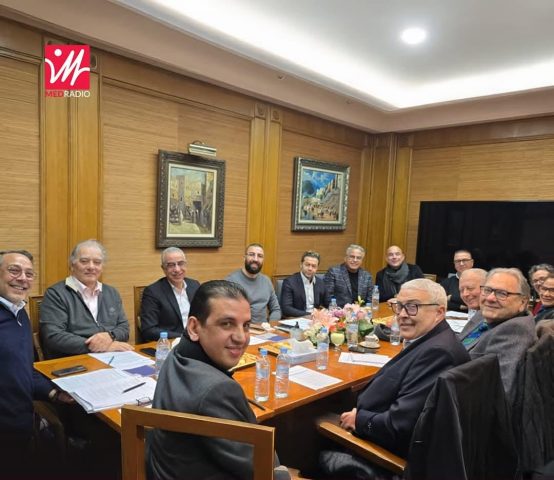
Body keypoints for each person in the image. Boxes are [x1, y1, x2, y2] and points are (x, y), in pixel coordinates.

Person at [321, 279, 469, 477]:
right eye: (399, 306)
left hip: (387, 454)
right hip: (379, 424)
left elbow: (399, 426)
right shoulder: (433, 339)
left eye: (412, 307)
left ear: (439, 312)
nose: (402, 315)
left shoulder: (438, 353)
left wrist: (359, 420)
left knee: (311, 429)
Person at [146, 280, 290, 480]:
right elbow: (263, 467)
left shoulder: (177, 353)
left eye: (246, 325)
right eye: (227, 324)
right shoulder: (217, 390)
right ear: (194, 328)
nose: (241, 337)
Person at [0, 250, 71, 476]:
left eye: (29, 274)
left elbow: (24, 370)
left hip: (23, 425)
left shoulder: (19, 313)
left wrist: (54, 394)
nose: (23, 278)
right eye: (14, 271)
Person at [40, 239, 132, 358]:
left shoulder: (111, 293)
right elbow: (54, 336)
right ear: (72, 265)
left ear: (102, 267)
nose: (91, 267)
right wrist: (100, 347)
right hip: (73, 359)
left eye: (97, 262)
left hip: (112, 357)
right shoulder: (56, 294)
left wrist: (110, 336)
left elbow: (124, 328)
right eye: (84, 261)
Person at [458, 268, 536, 399]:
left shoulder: (514, 331)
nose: (490, 298)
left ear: (523, 302)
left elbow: (498, 394)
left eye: (502, 293)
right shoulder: (484, 314)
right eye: (487, 290)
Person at [140, 247, 200, 341]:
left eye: (180, 263)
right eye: (171, 265)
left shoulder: (195, 285)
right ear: (163, 268)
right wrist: (183, 336)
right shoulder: (153, 292)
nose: (177, 269)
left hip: (197, 339)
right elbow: (148, 330)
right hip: (172, 342)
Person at [226, 243, 281, 323]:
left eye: (260, 256)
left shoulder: (266, 281)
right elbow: (227, 313)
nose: (255, 259)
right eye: (251, 255)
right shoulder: (231, 281)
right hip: (242, 328)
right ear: (244, 258)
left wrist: (271, 324)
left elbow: (276, 309)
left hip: (264, 328)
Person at [280, 250, 328, 317]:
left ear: (317, 268)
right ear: (301, 265)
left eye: (313, 266)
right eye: (307, 265)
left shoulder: (320, 283)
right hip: (296, 319)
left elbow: (327, 303)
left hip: (316, 319)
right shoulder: (289, 282)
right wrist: (310, 315)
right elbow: (286, 309)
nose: (310, 268)